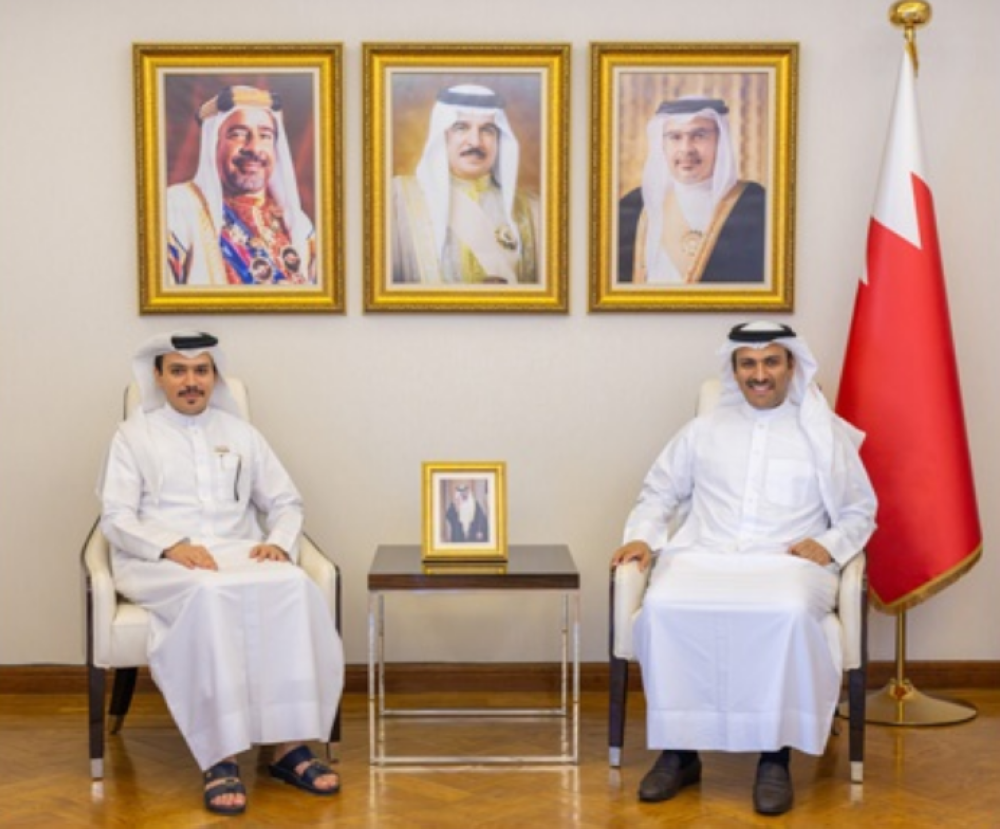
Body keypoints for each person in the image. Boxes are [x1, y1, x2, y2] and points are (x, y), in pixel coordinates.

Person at [610, 321, 876, 816]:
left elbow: (860, 510)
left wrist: (829, 544)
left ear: (791, 366)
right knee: (663, 606)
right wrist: (642, 536)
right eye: (748, 364)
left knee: (786, 612)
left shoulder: (822, 434)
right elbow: (659, 493)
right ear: (733, 370)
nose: (759, 374)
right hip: (705, 555)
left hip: (788, 565)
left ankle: (774, 759)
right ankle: (679, 754)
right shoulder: (703, 431)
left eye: (771, 362)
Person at [98, 331, 343, 815]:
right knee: (208, 594)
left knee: (295, 585)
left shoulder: (242, 434)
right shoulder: (132, 436)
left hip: (237, 552)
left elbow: (286, 502)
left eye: (201, 371)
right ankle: (220, 757)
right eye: (178, 371)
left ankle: (289, 747)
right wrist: (171, 546)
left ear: (214, 376)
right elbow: (116, 518)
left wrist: (277, 543)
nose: (191, 381)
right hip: (157, 561)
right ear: (158, 377)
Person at [391, 84, 541, 285]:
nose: (475, 142)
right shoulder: (397, 200)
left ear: (499, 140)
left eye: (487, 130)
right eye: (461, 128)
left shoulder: (533, 210)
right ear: (443, 136)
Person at [167, 85, 317, 286]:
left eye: (265, 135)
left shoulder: (298, 225)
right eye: (238, 134)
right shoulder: (178, 208)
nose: (254, 147)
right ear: (213, 143)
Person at [617, 97, 766, 284]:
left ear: (720, 142)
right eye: (675, 137)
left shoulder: (754, 204)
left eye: (699, 136)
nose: (686, 149)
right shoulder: (634, 206)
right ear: (662, 144)